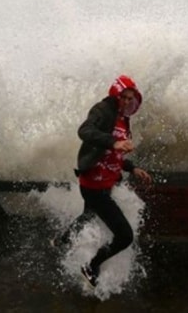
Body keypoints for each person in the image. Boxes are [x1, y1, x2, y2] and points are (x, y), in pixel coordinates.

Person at [59, 75, 152, 288]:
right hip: (94, 185)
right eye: (123, 97)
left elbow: (115, 154)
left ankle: (62, 240)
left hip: (105, 182)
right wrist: (113, 142)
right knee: (124, 236)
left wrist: (132, 168)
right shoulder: (103, 110)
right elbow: (85, 131)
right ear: (115, 95)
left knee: (89, 214)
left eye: (131, 98)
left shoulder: (123, 118)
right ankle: (91, 266)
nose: (127, 102)